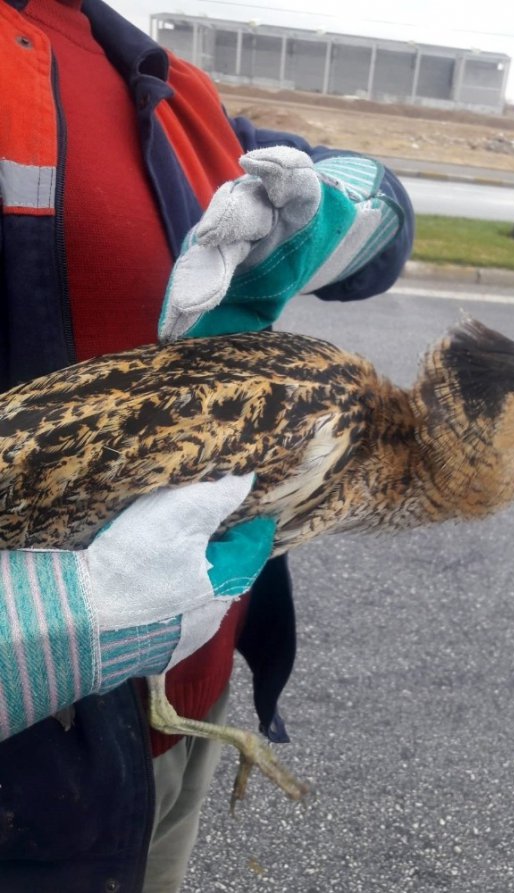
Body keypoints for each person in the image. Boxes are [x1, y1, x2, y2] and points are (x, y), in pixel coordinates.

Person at [0, 0, 415, 890]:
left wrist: (335, 215)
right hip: (27, 778)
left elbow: (381, 209)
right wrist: (28, 639)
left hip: (176, 720)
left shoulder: (156, 77)